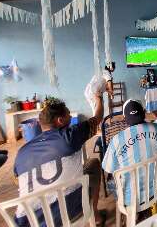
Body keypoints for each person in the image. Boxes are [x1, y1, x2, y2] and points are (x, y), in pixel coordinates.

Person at [14, 94, 105, 227]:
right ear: (60, 120)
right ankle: (94, 215)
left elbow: (17, 180)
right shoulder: (70, 135)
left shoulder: (21, 152)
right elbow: (97, 118)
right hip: (70, 210)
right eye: (69, 114)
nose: (71, 117)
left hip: (30, 221)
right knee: (94, 164)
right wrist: (98, 100)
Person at [102, 100, 157, 206]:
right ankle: (155, 202)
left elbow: (108, 168)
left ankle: (133, 212)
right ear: (144, 113)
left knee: (110, 182)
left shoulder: (116, 140)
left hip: (130, 197)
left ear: (124, 118)